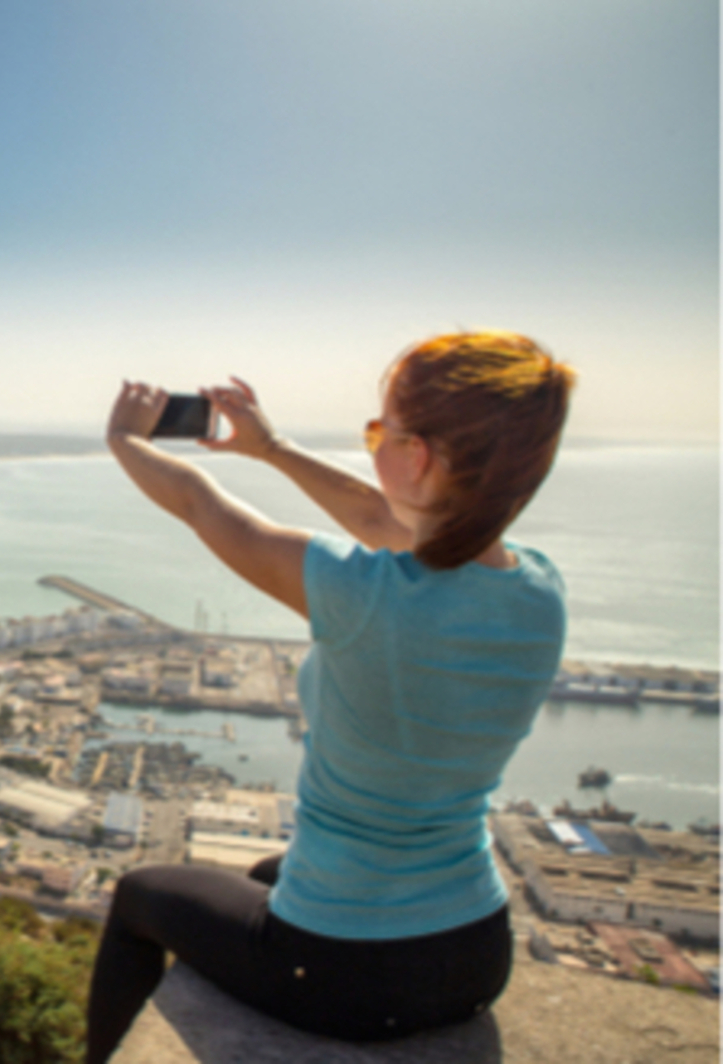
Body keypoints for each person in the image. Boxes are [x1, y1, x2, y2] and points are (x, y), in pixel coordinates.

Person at [85, 331, 577, 1063]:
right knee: (263, 876)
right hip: (475, 952)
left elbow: (199, 504)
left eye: (380, 430)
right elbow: (386, 522)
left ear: (418, 458)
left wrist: (125, 438)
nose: (371, 443)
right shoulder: (540, 588)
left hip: (344, 973)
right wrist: (272, 447)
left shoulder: (361, 594)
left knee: (137, 897)